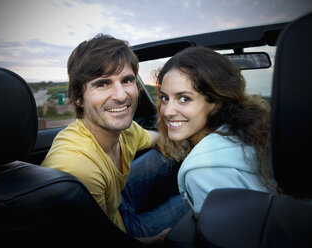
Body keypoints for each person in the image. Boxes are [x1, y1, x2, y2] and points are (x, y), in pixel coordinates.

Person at [41, 34, 188, 244]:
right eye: (103, 84)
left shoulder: (127, 131)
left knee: (167, 157)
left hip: (116, 205)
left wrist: (192, 155)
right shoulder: (76, 168)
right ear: (78, 97)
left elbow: (159, 140)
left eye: (127, 80)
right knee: (205, 198)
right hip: (122, 231)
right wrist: (158, 240)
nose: (121, 95)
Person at [155, 46, 276, 218]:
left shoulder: (201, 172)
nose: (167, 111)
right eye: (165, 98)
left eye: (184, 98)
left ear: (216, 102)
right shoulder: (243, 132)